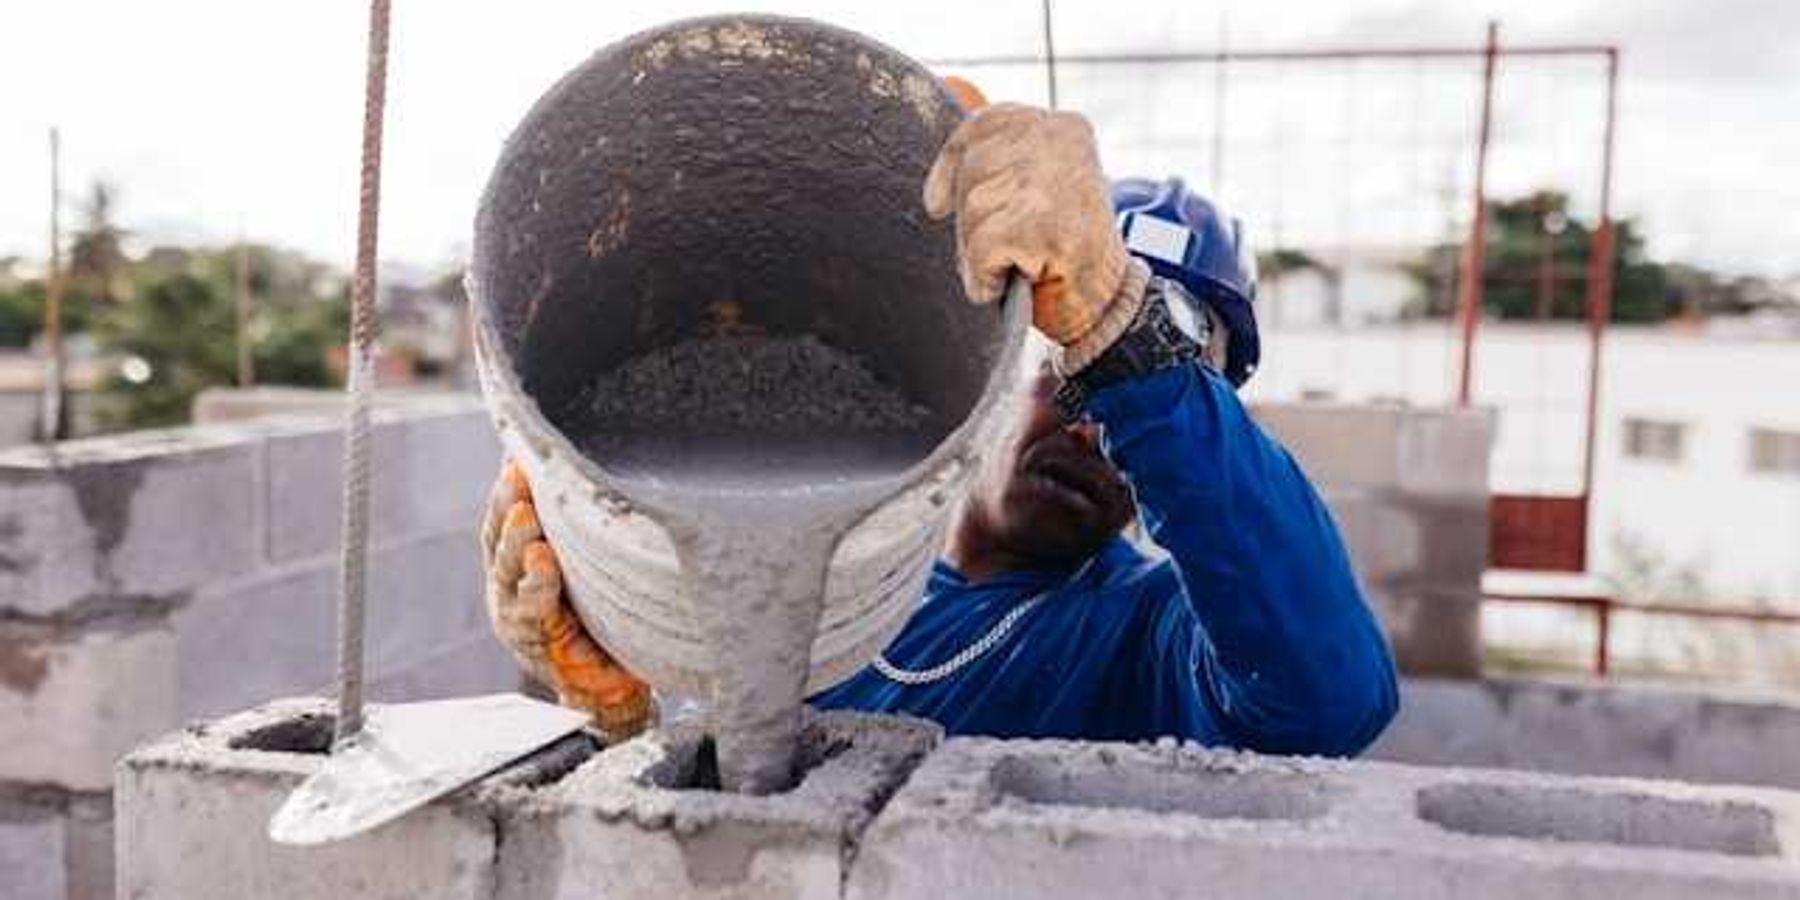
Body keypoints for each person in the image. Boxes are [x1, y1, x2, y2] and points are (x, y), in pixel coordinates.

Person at [480, 85, 1398, 756]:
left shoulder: (1144, 640)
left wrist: (1118, 326)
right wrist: (620, 713)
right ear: (993, 368)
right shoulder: (833, 572)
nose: (1089, 429)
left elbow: (1332, 701)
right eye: (1061, 360)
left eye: (1126, 376)